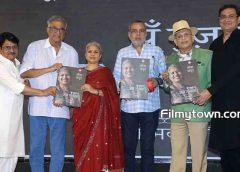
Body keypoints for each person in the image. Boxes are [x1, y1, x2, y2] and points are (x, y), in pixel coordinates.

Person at [20, 15, 79, 172]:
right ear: (48, 29)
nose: (57, 32)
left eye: (61, 29)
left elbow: (74, 82)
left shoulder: (71, 52)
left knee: (58, 149)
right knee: (36, 147)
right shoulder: (35, 47)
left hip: (60, 107)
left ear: (65, 32)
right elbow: (24, 73)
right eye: (54, 28)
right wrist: (50, 68)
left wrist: (72, 106)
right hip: (38, 106)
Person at [113, 20, 166, 172]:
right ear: (129, 34)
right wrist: (122, 87)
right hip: (128, 107)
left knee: (148, 147)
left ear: (146, 33)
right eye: (134, 31)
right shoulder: (122, 52)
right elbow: (116, 76)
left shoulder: (156, 50)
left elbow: (165, 75)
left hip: (150, 106)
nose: (138, 34)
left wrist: (158, 80)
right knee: (128, 147)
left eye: (141, 30)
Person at [0, 32, 55, 172]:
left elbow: (23, 84)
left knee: (11, 155)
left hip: (13, 119)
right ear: (0, 49)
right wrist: (43, 92)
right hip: (3, 118)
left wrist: (27, 83)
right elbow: (19, 88)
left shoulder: (17, 65)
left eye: (14, 47)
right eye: (7, 47)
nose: (12, 50)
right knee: (3, 154)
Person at [195, 4, 240, 172]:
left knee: (236, 148)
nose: (226, 19)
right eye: (223, 16)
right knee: (225, 149)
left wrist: (210, 91)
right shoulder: (215, 45)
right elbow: (208, 73)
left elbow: (235, 71)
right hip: (220, 103)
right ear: (219, 20)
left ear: (238, 19)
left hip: (236, 102)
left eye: (231, 16)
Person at [164, 20, 212, 172]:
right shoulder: (169, 59)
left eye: (186, 35)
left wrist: (207, 95)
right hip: (177, 112)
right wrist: (166, 81)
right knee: (177, 153)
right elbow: (167, 88)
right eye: (179, 36)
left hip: (199, 110)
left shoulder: (207, 55)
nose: (183, 38)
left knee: (199, 153)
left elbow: (214, 82)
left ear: (193, 38)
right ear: (175, 42)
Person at [72, 41, 124, 172]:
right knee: (81, 148)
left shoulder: (105, 72)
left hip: (100, 119)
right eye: (90, 51)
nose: (92, 54)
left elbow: (113, 95)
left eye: (96, 52)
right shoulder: (78, 73)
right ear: (85, 54)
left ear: (100, 55)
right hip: (81, 116)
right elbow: (72, 94)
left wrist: (93, 90)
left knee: (97, 146)